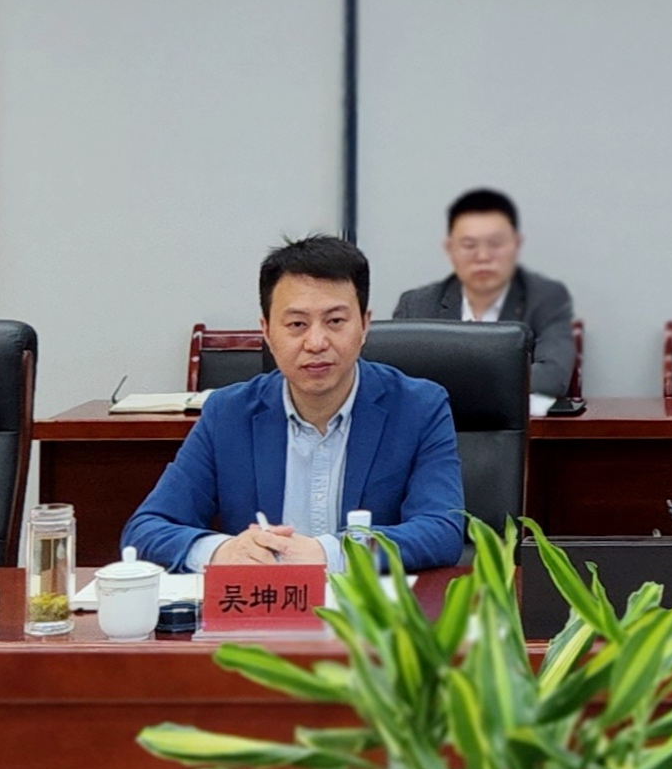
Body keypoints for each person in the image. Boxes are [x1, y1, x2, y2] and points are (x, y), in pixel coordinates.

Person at [126, 234, 465, 574]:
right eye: (297, 324)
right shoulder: (227, 413)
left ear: (364, 325)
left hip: (366, 606)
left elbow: (442, 531)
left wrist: (332, 553)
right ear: (267, 331)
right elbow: (145, 531)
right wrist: (222, 551)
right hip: (264, 604)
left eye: (335, 321)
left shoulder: (419, 407)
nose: (315, 342)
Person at [392, 189, 578, 402]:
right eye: (469, 245)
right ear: (450, 248)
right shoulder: (416, 306)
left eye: (495, 244)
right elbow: (400, 385)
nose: (482, 256)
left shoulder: (546, 299)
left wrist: (452, 383)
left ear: (516, 244)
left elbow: (552, 378)